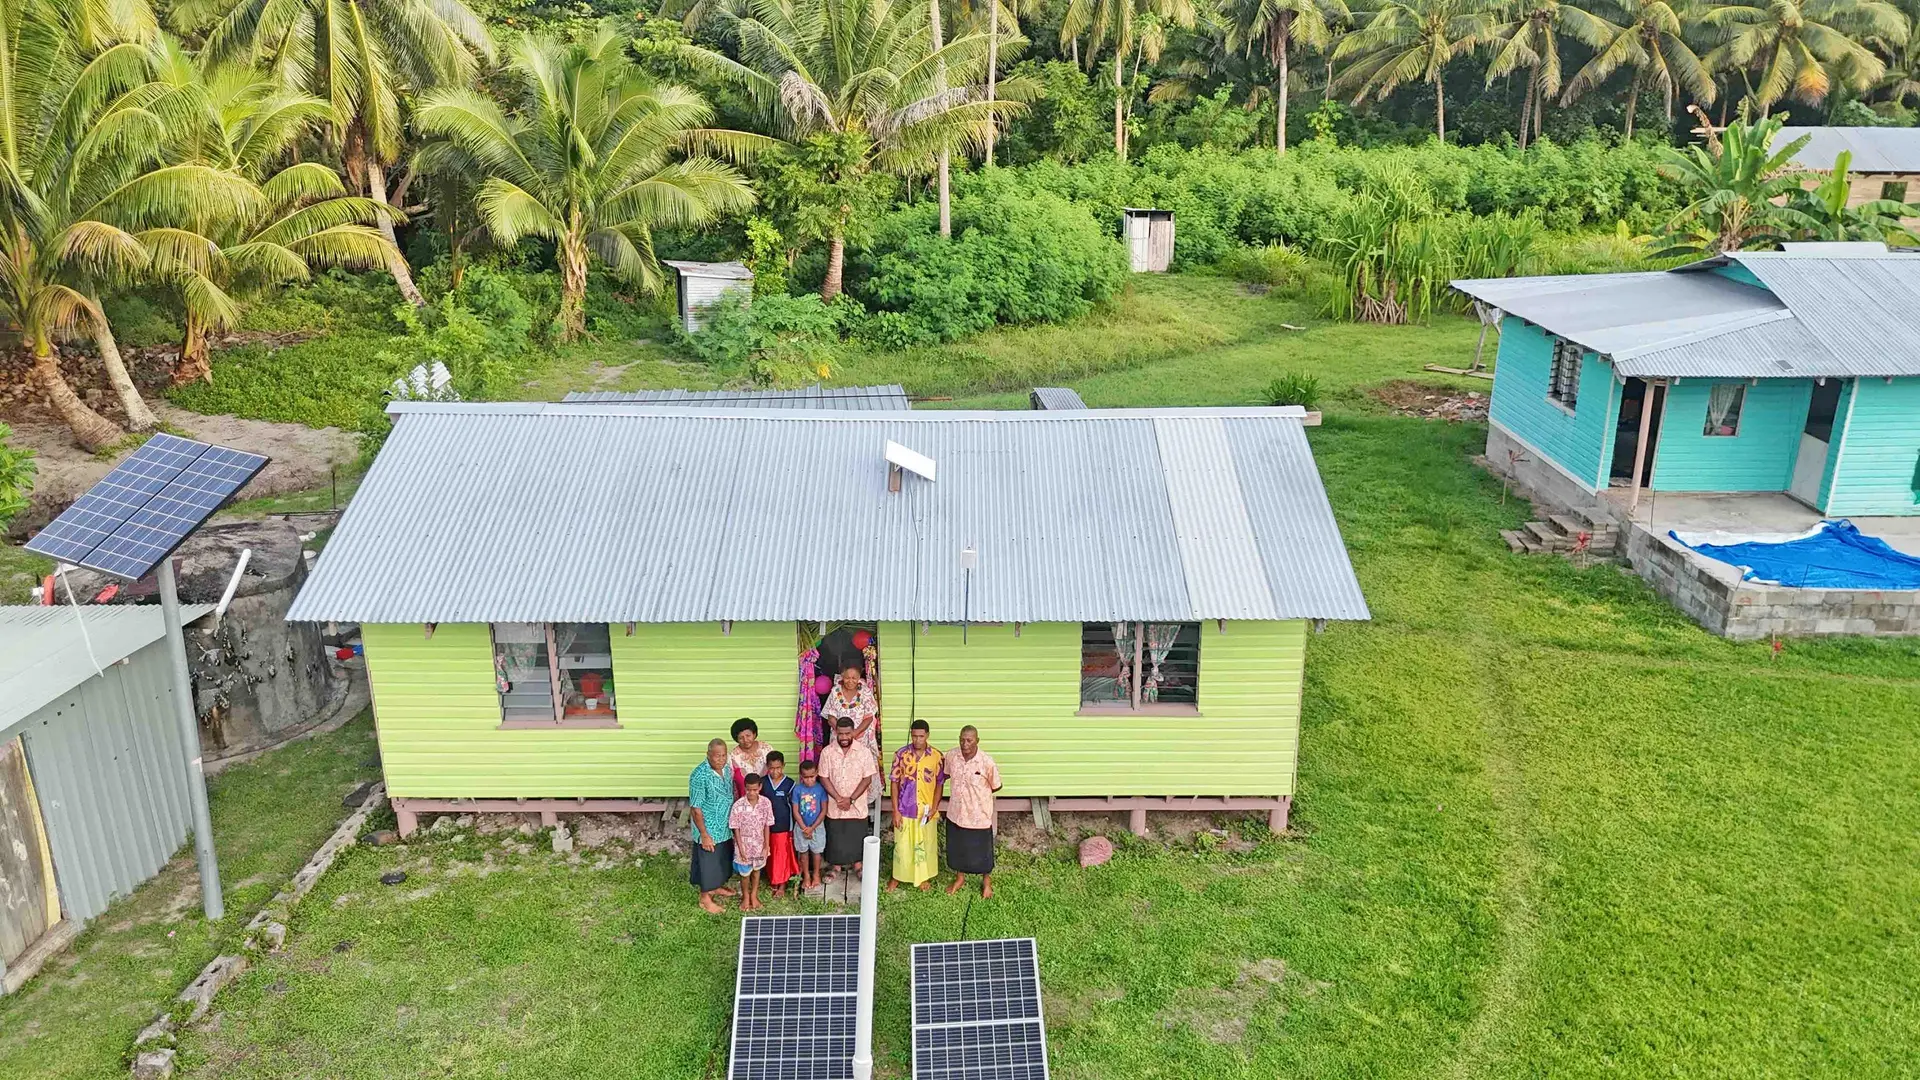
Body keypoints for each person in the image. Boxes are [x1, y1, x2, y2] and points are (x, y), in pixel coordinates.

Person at [942, 725, 1002, 899]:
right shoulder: (952, 756)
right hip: (956, 813)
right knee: (958, 848)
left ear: (977, 741)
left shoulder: (986, 762)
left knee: (982, 852)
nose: (964, 744)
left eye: (969, 740)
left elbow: (996, 786)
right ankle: (960, 878)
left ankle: (986, 882)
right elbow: (945, 774)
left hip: (978, 816)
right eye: (961, 739)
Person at [818, 717, 879, 879]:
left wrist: (851, 799)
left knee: (856, 835)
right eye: (840, 734)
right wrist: (838, 798)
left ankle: (858, 866)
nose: (844, 737)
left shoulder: (864, 752)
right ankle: (835, 867)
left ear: (853, 732)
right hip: (835, 804)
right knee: (836, 834)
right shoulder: (827, 752)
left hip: (856, 805)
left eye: (847, 733)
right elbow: (823, 777)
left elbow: (867, 778)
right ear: (835, 733)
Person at [887, 720, 943, 892]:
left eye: (921, 736)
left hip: (926, 810)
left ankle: (923, 877)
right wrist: (895, 810)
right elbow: (894, 783)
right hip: (905, 809)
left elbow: (939, 783)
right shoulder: (901, 755)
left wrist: (934, 807)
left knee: (925, 845)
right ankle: (897, 876)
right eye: (914, 736)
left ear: (927, 735)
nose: (917, 740)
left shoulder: (937, 756)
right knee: (902, 847)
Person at [688, 738, 737, 914]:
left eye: (724, 755)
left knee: (721, 859)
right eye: (717, 756)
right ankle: (705, 898)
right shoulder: (699, 775)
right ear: (708, 755)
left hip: (723, 825)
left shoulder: (727, 769)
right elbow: (695, 808)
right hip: (708, 827)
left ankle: (715, 887)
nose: (721, 759)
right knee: (708, 863)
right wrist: (704, 834)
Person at [728, 774, 775, 911]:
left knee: (756, 870)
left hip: (759, 846)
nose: (751, 793)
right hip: (743, 846)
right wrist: (741, 849)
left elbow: (767, 825)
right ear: (745, 788)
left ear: (760, 787)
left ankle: (754, 895)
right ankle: (746, 897)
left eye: (755, 789)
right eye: (749, 790)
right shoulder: (738, 805)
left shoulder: (766, 803)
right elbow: (735, 828)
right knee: (744, 874)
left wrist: (766, 845)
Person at [820, 665, 879, 757]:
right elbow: (831, 717)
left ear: (859, 678)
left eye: (854, 678)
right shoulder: (835, 692)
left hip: (860, 738)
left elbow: (869, 717)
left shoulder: (865, 692)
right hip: (839, 738)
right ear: (842, 677)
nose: (850, 681)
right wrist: (843, 733)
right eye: (847, 678)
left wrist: (854, 733)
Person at [762, 751, 798, 898]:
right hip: (765, 827)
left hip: (783, 826)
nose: (775, 771)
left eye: (778, 768)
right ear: (767, 767)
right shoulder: (762, 783)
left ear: (783, 766)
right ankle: (773, 880)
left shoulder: (790, 784)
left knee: (781, 855)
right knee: (769, 854)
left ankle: (782, 884)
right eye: (771, 768)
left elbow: (794, 807)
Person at [791, 758, 828, 891]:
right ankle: (806, 875)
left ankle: (816, 874)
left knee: (817, 852)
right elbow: (795, 810)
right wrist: (804, 828)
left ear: (817, 773)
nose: (809, 780)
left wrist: (812, 828)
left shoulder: (821, 789)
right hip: (801, 827)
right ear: (801, 776)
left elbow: (824, 810)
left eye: (812, 776)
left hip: (817, 827)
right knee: (803, 852)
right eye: (805, 777)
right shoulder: (797, 790)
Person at [728, 718, 773, 797]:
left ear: (754, 734)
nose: (745, 740)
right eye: (741, 738)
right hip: (746, 799)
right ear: (736, 739)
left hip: (768, 796)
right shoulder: (733, 756)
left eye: (748, 736)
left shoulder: (766, 748)